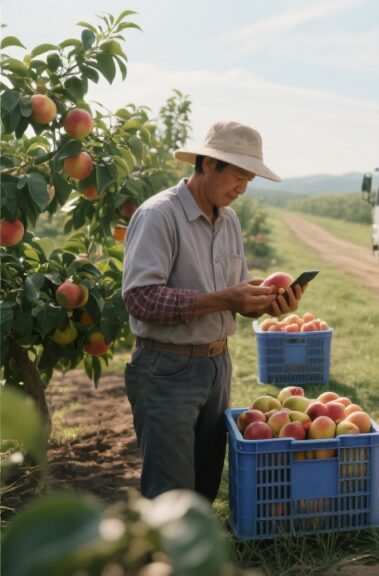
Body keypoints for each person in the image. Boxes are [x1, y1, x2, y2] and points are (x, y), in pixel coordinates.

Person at [122, 121, 303, 501]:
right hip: (167, 369)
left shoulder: (229, 220)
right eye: (238, 175)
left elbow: (237, 297)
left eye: (249, 179)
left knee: (205, 485)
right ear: (207, 164)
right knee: (170, 493)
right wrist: (224, 299)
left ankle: (194, 558)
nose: (242, 187)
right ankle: (165, 560)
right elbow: (140, 298)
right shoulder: (159, 216)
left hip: (217, 365)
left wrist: (267, 305)